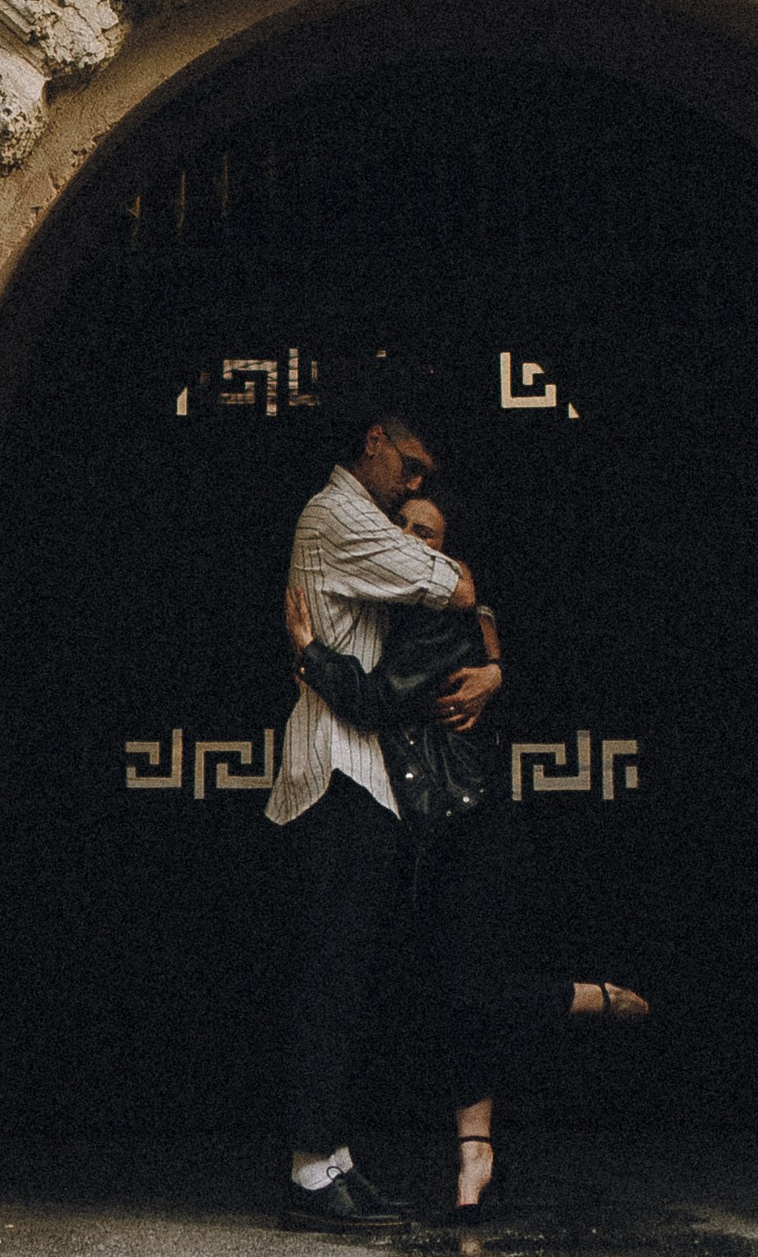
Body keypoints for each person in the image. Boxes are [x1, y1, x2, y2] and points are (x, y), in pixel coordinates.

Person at [289, 490, 649, 1224]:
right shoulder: (394, 611)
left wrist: (307, 653)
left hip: (466, 829)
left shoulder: (437, 627)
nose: (410, 540)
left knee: (464, 992)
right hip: (426, 830)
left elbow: (374, 699)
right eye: (402, 527)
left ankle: (587, 998)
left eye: (428, 536)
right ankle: (474, 1153)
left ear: (448, 558)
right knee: (447, 992)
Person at [265, 379, 497, 1235]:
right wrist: (449, 575)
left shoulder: (358, 521)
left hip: (361, 774)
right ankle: (310, 1172)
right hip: (338, 770)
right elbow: (451, 586)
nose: (412, 485)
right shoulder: (337, 515)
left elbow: (460, 607)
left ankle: (332, 1162)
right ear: (373, 442)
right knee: (330, 979)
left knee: (346, 978)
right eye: (409, 464)